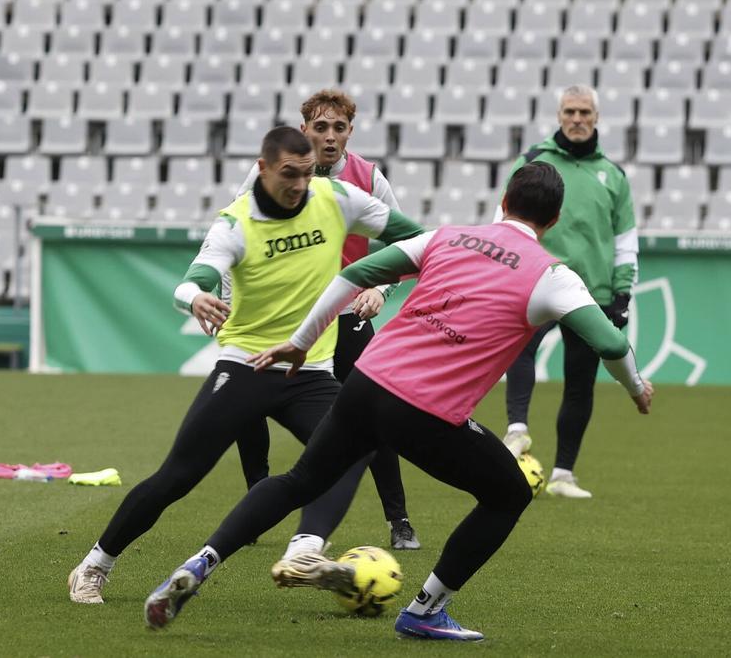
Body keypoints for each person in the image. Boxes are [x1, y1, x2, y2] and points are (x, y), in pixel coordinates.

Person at [142, 163, 653, 641]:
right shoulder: (552, 276)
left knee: (300, 480)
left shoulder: (446, 235)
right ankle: (425, 611)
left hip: (366, 384)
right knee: (509, 494)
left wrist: (301, 340)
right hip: (425, 412)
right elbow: (609, 344)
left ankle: (199, 563)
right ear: (555, 219)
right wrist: (635, 388)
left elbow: (355, 273)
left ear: (502, 201)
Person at [67, 126, 424, 604]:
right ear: (263, 169)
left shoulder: (337, 197)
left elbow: (418, 238)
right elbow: (192, 280)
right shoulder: (236, 222)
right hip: (246, 367)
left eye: (305, 172)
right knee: (178, 477)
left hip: (310, 372)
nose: (299, 184)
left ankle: (305, 550)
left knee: (356, 449)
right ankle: (95, 564)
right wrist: (195, 298)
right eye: (288, 174)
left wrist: (376, 281)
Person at [234, 88, 418, 550]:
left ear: (350, 133)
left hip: (348, 313)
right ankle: (257, 503)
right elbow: (234, 229)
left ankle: (399, 520)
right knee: (246, 401)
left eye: (339, 128)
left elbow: (408, 246)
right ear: (304, 131)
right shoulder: (268, 174)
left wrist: (380, 287)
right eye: (321, 127)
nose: (330, 137)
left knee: (375, 414)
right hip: (282, 315)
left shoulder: (370, 179)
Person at [500, 85, 640, 499]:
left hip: (589, 293)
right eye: (569, 111)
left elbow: (626, 239)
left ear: (596, 117)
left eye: (584, 112)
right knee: (518, 352)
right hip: (536, 283)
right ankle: (517, 430)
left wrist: (622, 295)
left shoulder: (613, 175)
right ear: (558, 116)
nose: (577, 119)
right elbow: (502, 219)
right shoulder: (531, 162)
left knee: (580, 385)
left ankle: (563, 475)